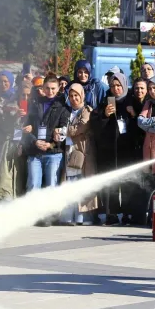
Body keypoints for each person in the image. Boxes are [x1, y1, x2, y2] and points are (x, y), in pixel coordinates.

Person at [93, 72, 144, 225]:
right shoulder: (105, 101)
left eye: (118, 85)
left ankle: (128, 213)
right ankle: (112, 213)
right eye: (113, 86)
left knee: (127, 181)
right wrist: (104, 115)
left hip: (127, 148)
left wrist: (133, 115)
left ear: (124, 85)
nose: (116, 89)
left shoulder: (132, 101)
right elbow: (96, 125)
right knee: (112, 182)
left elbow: (141, 127)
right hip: (110, 149)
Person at [22, 75, 70, 226]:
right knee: (33, 184)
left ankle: (49, 215)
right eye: (47, 88)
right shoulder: (34, 104)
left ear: (58, 89)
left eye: (53, 89)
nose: (50, 91)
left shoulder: (63, 107)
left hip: (53, 153)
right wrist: (34, 140)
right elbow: (25, 129)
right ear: (42, 88)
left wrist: (50, 145)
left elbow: (63, 131)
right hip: (35, 151)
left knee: (51, 184)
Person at [59, 83, 98, 226]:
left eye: (76, 95)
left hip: (82, 151)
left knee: (82, 182)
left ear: (82, 95)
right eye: (71, 95)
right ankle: (68, 215)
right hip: (69, 149)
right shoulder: (66, 111)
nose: (74, 98)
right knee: (70, 182)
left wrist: (64, 130)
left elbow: (81, 128)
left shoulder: (87, 110)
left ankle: (83, 217)